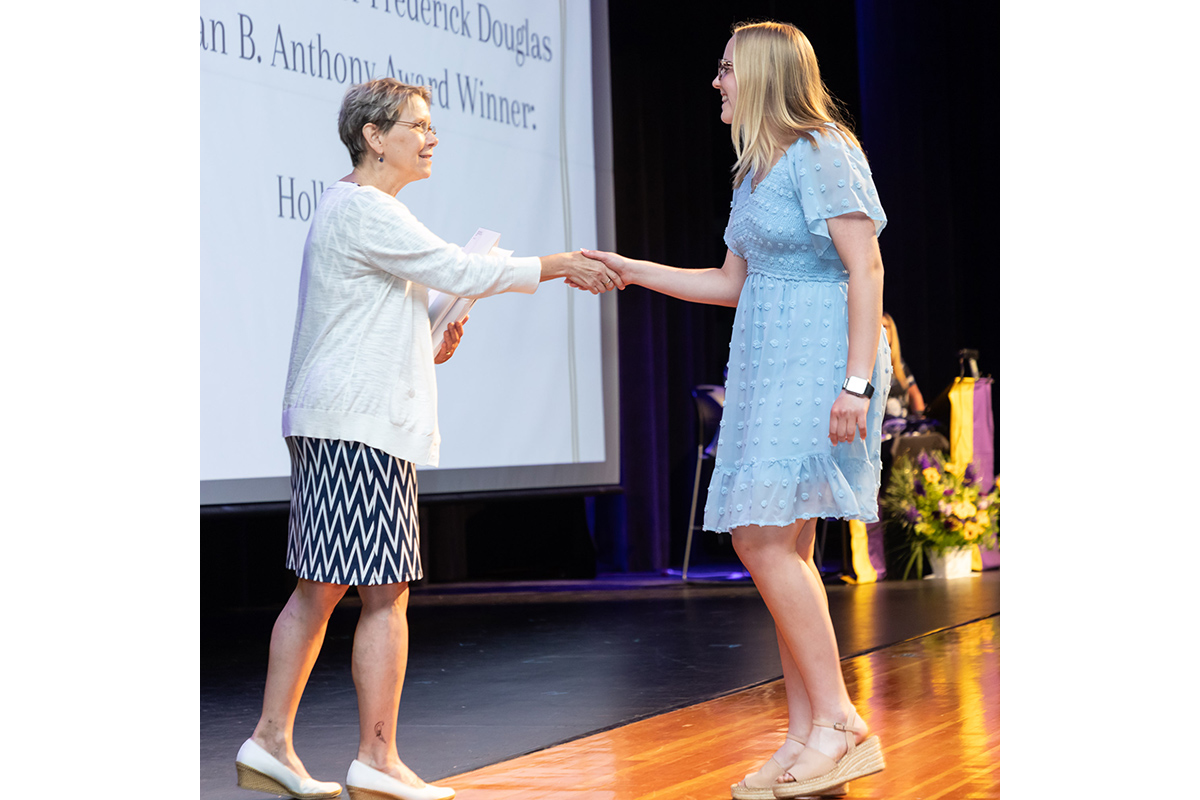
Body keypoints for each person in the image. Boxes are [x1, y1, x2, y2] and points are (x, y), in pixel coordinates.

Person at [233, 78, 620, 800]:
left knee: (325, 589)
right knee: (376, 594)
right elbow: (460, 267)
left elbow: (381, 314)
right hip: (357, 427)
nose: (431, 136)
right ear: (374, 137)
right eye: (417, 124)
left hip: (348, 423)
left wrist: (431, 333)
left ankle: (274, 744)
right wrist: (559, 264)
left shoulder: (358, 211)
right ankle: (368, 761)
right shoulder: (366, 208)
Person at [582, 21, 889, 799]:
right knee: (782, 541)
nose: (716, 83)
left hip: (819, 355)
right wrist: (631, 270)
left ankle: (841, 723)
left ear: (760, 75)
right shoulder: (753, 170)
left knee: (759, 538)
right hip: (764, 358)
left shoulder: (825, 148)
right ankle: (803, 732)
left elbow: (867, 265)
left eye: (725, 70)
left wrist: (854, 384)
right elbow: (729, 283)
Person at [882, 312, 925, 419]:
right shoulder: (870, 365)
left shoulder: (900, 365)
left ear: (892, 332)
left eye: (885, 327)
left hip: (902, 425)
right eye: (878, 327)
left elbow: (915, 394)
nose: (882, 331)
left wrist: (920, 420)